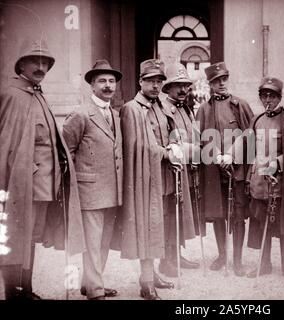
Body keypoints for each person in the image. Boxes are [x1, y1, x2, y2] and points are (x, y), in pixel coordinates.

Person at [0, 39, 85, 300]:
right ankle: (15, 292)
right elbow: (5, 142)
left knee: (29, 238)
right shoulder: (13, 95)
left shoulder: (37, 94)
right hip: (22, 183)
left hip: (44, 184)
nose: (40, 66)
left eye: (44, 62)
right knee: (16, 237)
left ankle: (25, 288)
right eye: (34, 61)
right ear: (21, 65)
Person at [114, 59, 175, 300]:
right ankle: (146, 280)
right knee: (146, 226)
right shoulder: (132, 108)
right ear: (140, 82)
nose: (156, 85)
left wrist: (174, 143)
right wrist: (166, 152)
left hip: (163, 176)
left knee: (159, 225)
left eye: (159, 81)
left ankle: (154, 273)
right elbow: (138, 146)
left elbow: (169, 132)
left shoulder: (160, 106)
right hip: (143, 178)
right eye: (150, 81)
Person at [231, 76, 284, 282]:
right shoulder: (256, 120)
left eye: (272, 95)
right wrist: (247, 177)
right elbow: (250, 151)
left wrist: (278, 164)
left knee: (282, 224)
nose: (268, 99)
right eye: (264, 96)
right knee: (261, 222)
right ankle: (265, 263)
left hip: (278, 182)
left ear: (279, 97)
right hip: (258, 183)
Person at [63, 60, 122, 300]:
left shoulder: (116, 115)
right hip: (89, 191)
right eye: (102, 81)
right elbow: (66, 151)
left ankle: (92, 283)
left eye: (111, 81)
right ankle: (96, 291)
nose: (108, 86)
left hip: (112, 190)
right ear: (92, 85)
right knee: (92, 244)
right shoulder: (80, 114)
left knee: (103, 242)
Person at [196, 62, 253, 276]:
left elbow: (251, 136)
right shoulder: (203, 109)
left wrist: (232, 155)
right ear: (210, 84)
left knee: (238, 215)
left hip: (236, 172)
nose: (221, 83)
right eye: (216, 81)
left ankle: (237, 260)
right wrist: (216, 154)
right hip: (214, 172)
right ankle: (222, 254)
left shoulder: (240, 105)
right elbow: (199, 140)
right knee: (218, 214)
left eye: (224, 79)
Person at [159, 62, 200, 275]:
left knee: (181, 212)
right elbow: (168, 142)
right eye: (178, 85)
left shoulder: (185, 108)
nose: (183, 89)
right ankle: (166, 260)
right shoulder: (164, 109)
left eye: (186, 85)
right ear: (167, 87)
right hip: (170, 170)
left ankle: (176, 255)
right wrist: (194, 150)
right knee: (169, 214)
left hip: (185, 169)